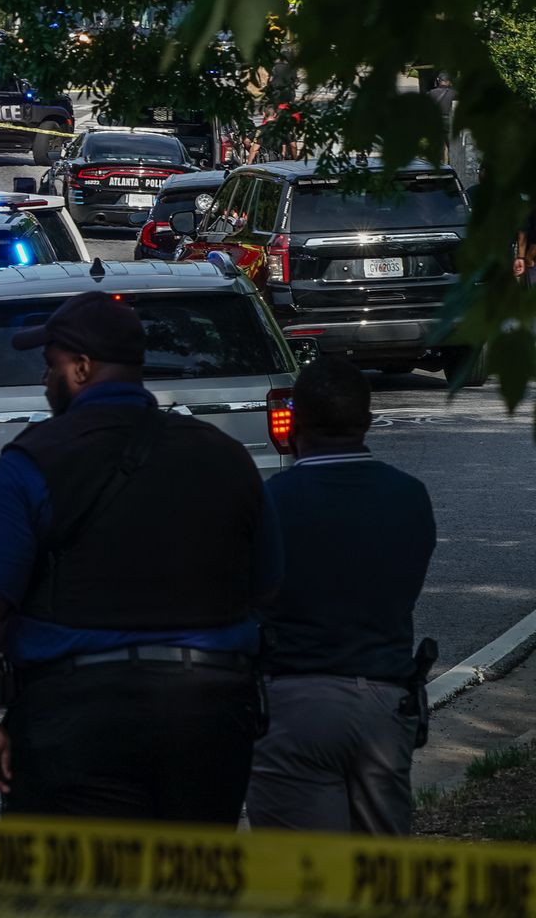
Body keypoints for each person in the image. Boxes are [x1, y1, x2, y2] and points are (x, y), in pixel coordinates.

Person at [0, 290, 281, 823]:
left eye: (50, 365)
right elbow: (268, 589)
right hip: (209, 717)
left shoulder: (32, 461)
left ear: (80, 367)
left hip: (76, 722)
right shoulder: (226, 457)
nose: (44, 380)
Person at [248, 358, 435, 835]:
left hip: (293, 701)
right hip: (385, 703)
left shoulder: (271, 501)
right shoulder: (410, 496)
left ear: (293, 425)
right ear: (368, 422)